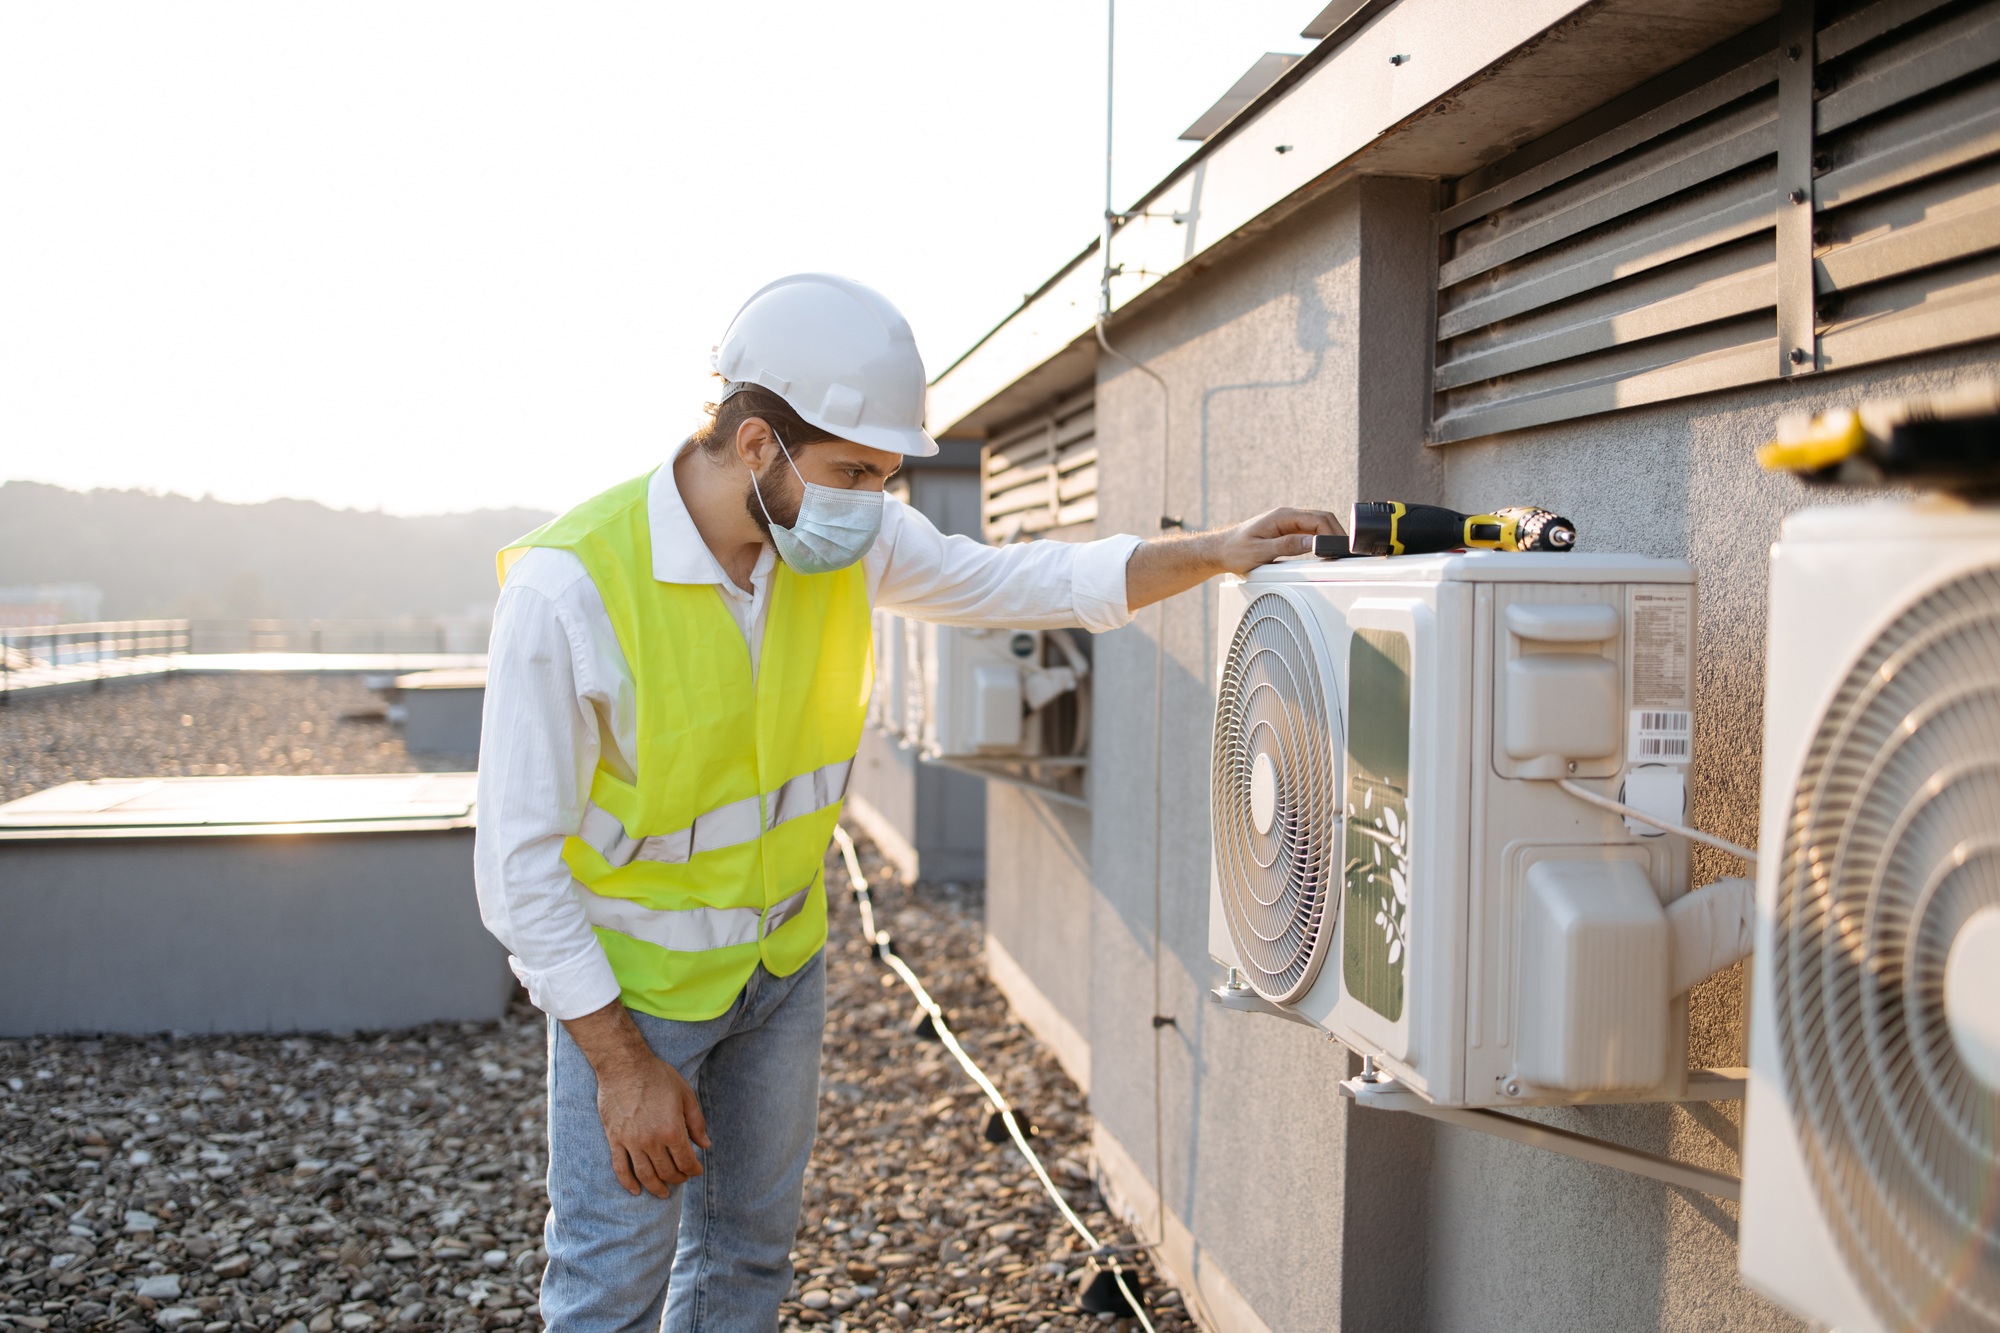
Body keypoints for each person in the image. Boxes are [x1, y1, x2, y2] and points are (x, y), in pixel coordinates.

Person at [473, 273, 1338, 1332]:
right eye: (852, 471)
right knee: (609, 1287)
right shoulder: (568, 591)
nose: (873, 501)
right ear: (756, 445)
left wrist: (1207, 551)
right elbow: (516, 866)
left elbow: (1022, 580)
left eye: (884, 476)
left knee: (745, 1260)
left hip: (778, 968)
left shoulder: (839, 539)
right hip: (635, 989)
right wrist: (618, 1064)